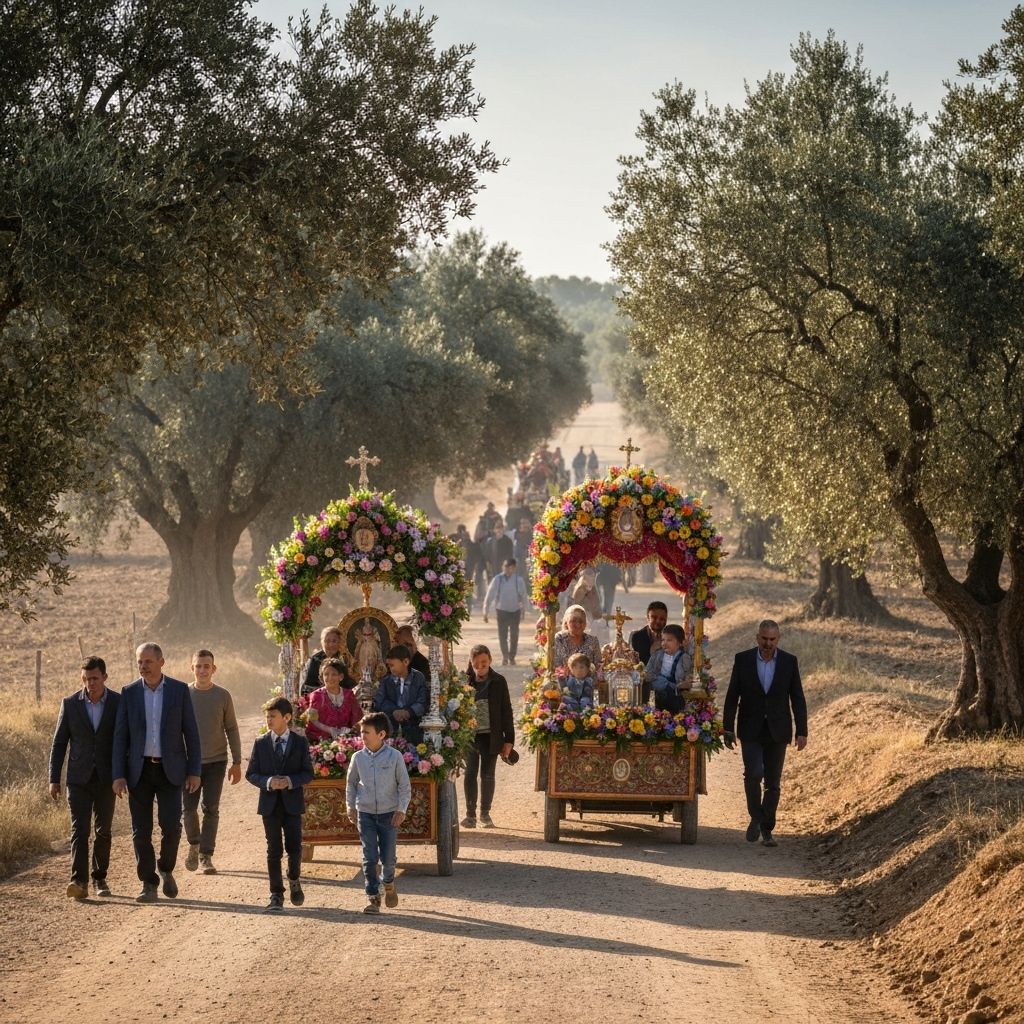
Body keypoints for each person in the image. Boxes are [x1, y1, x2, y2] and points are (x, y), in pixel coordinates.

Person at [112, 642, 202, 903]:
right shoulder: (129, 693)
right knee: (140, 831)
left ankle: (165, 868)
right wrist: (118, 774)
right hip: (138, 771)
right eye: (140, 662)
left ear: (161, 662)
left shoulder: (178, 690)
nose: (143, 666)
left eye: (148, 661)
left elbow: (191, 733)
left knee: (171, 827)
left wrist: (194, 770)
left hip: (170, 770)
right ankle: (148, 883)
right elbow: (120, 737)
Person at [723, 619, 808, 848]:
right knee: (753, 773)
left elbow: (797, 697)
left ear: (778, 639)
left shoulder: (789, 661)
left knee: (773, 782)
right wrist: (727, 728)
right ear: (757, 637)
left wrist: (802, 731)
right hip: (750, 728)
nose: (768, 644)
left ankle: (766, 829)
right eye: (764, 639)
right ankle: (756, 815)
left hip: (778, 730)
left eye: (772, 639)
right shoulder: (743, 659)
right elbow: (732, 696)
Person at [48, 656, 120, 899]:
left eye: (95, 678)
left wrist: (123, 775)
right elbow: (59, 743)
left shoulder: (117, 703)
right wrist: (54, 778)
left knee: (103, 830)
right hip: (78, 779)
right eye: (86, 679)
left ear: (104, 677)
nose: (91, 683)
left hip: (106, 779)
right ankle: (79, 881)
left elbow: (124, 741)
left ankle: (100, 879)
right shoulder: (70, 704)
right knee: (79, 830)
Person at [246, 697, 313, 912]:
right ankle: (276, 894)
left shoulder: (300, 742)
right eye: (267, 716)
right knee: (273, 849)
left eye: (273, 716)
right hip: (270, 806)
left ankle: (294, 878)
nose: (269, 720)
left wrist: (290, 781)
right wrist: (268, 782)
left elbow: (307, 773)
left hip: (292, 804)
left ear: (287, 717)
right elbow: (251, 774)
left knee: (294, 847)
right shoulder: (260, 743)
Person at [346, 711, 411, 914]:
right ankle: (373, 896)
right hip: (365, 814)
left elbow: (404, 786)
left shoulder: (395, 757)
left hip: (389, 815)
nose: (362, 736)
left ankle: (388, 882)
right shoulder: (357, 758)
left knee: (388, 859)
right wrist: (350, 806)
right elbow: (351, 784)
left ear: (381, 735)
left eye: (367, 732)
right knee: (369, 857)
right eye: (361, 732)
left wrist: (401, 810)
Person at [183, 649, 242, 876]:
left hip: (217, 761)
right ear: (192, 668)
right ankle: (194, 842)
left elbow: (232, 728)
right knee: (188, 809)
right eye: (198, 666)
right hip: (189, 763)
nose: (202, 670)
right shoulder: (184, 695)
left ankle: (206, 856)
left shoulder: (223, 696)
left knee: (211, 808)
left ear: (213, 669)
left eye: (206, 666)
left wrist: (237, 761)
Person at [461, 645, 515, 829]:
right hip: (470, 737)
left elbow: (506, 711)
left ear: (490, 660)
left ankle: (485, 813)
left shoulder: (499, 681)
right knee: (470, 774)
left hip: (491, 737)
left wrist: (509, 740)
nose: (480, 667)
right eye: (476, 664)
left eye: (484, 663)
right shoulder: (464, 682)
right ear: (471, 663)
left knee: (487, 775)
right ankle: (470, 815)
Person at [373, 645, 428, 745]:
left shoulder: (418, 678)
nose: (390, 669)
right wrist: (394, 711)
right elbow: (379, 702)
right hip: (391, 726)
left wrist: (408, 712)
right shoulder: (386, 681)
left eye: (392, 665)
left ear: (406, 662)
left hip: (414, 725)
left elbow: (422, 701)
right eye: (389, 666)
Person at [305, 657, 362, 743]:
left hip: (346, 740)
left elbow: (357, 718)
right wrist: (330, 730)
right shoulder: (316, 696)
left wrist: (349, 731)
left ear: (341, 677)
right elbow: (312, 721)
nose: (330, 678)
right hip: (322, 742)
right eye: (326, 674)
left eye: (334, 674)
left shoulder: (349, 695)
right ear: (322, 677)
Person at [483, 558, 528, 666]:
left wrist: (523, 610)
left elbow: (524, 596)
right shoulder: (497, 579)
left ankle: (512, 657)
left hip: (515, 611)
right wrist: (485, 611)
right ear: (503, 567)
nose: (507, 569)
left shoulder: (518, 580)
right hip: (501, 610)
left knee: (514, 635)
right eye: (505, 567)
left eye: (510, 567)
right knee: (502, 635)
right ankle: (505, 656)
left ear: (514, 568)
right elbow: (490, 595)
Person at [644, 624, 692, 711]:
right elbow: (648, 671)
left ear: (680, 642)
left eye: (669, 640)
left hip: (675, 693)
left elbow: (688, 675)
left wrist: (683, 683)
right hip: (657, 691)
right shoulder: (657, 655)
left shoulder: (684, 657)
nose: (664, 643)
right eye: (663, 640)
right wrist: (653, 678)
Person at [552, 605, 603, 674]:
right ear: (566, 623)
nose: (578, 625)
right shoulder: (560, 638)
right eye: (573, 621)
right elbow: (556, 665)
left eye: (581, 621)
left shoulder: (593, 641)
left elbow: (598, 667)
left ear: (585, 624)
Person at [300, 626, 345, 697]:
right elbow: (307, 688)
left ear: (339, 642)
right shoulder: (315, 660)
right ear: (322, 643)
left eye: (334, 641)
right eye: (327, 641)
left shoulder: (345, 659)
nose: (331, 645)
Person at [629, 600, 669, 667]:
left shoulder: (671, 637)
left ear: (666, 620)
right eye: (654, 617)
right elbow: (640, 664)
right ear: (648, 618)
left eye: (662, 619)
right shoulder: (637, 637)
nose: (658, 621)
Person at [570, 567, 604, 639]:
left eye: (593, 578)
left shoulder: (593, 589)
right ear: (585, 579)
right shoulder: (580, 589)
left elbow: (596, 603)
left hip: (591, 620)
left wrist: (598, 615)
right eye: (591, 578)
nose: (593, 580)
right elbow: (576, 604)